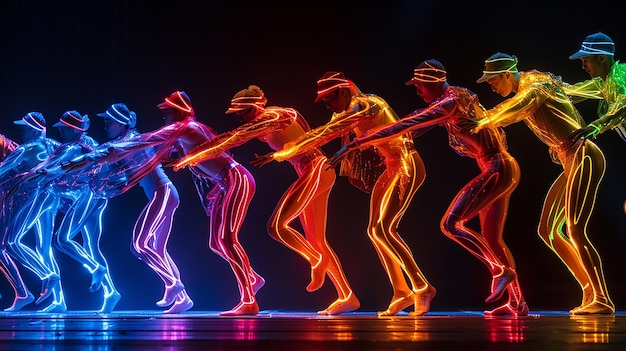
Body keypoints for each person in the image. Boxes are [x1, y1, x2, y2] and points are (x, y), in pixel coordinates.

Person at [328, 60, 527, 316]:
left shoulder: (449, 102)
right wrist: (394, 137)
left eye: (420, 86)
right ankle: (517, 303)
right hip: (500, 167)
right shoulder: (456, 96)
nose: (418, 91)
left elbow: (409, 123)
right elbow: (418, 124)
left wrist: (356, 143)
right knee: (492, 239)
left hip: (497, 168)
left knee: (451, 224)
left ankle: (500, 270)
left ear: (433, 82)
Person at [253, 72, 436, 316]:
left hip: (406, 162)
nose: (328, 104)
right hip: (392, 165)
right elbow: (325, 131)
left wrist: (282, 153)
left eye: (330, 98)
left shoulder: (366, 103)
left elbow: (332, 130)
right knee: (374, 230)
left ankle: (422, 287)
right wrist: (283, 153)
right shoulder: (347, 112)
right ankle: (402, 292)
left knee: (383, 229)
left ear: (342, 91)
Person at [173, 85, 360, 315]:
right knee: (316, 239)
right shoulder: (270, 120)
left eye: (245, 111)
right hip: (313, 170)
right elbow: (241, 135)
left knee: (277, 226)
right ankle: (347, 295)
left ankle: (316, 259)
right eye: (239, 114)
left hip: (316, 168)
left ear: (258, 106)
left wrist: (196, 154)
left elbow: (233, 138)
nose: (242, 117)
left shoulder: (274, 115)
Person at [472, 53, 614, 315]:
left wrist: (487, 118)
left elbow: (520, 106)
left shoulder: (533, 84)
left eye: (492, 81)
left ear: (506, 74)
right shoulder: (529, 87)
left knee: (575, 228)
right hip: (571, 158)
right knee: (548, 230)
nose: (491, 86)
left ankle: (603, 298)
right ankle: (588, 289)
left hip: (584, 154)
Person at [99, 91, 263, 316]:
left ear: (178, 113)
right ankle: (251, 277)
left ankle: (248, 299)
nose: (164, 118)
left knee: (226, 239)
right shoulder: (183, 135)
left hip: (236, 178)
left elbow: (152, 139)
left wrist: (115, 150)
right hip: (224, 183)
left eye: (167, 113)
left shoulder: (189, 127)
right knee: (216, 243)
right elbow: (175, 154)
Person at [95, 103, 191, 314]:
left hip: (162, 193)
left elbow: (107, 158)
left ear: (122, 123)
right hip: (164, 194)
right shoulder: (124, 142)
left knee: (139, 244)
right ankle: (182, 298)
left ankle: (172, 283)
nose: (105, 125)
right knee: (156, 249)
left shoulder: (131, 141)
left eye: (109, 121)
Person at [0, 112, 60, 311]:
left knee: (10, 242)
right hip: (52, 197)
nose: (21, 132)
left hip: (36, 197)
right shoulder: (52, 144)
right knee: (44, 248)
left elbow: (3, 170)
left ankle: (45, 275)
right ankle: (58, 301)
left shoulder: (26, 148)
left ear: (34, 129)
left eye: (24, 128)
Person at [563, 32, 626, 142]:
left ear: (601, 58)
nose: (583, 67)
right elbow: (572, 91)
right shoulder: (602, 82)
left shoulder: (621, 74)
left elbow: (623, 102)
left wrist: (596, 125)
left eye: (585, 61)